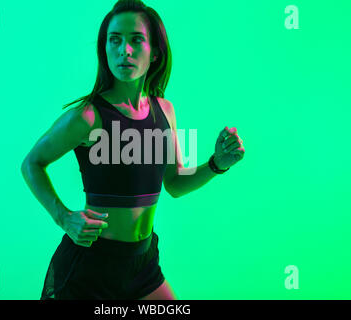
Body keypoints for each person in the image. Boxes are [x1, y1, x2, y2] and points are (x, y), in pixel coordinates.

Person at [21, 0, 245, 300]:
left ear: (155, 52)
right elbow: (32, 163)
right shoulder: (87, 117)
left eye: (136, 40)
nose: (124, 50)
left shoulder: (164, 111)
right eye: (114, 40)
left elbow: (175, 184)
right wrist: (64, 218)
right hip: (91, 266)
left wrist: (217, 163)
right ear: (105, 49)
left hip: (143, 264)